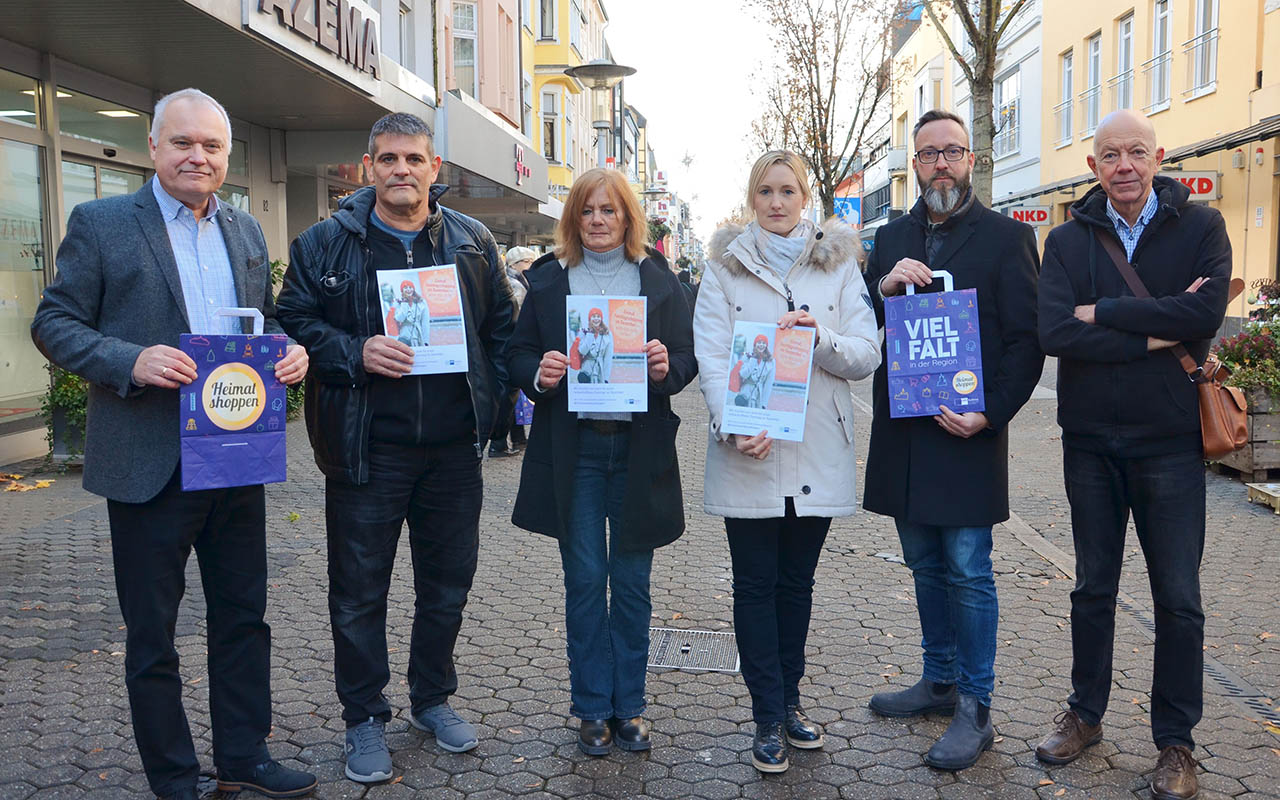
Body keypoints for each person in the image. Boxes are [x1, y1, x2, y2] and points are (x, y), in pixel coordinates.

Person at [30, 88, 315, 800]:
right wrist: (131, 360)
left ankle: (244, 756)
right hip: (149, 461)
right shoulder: (101, 223)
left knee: (243, 617)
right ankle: (174, 776)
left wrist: (289, 351)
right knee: (153, 633)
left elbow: (266, 321)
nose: (198, 156)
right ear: (154, 147)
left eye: (212, 146)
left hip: (235, 456)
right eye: (183, 143)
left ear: (226, 156)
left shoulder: (245, 231)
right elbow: (55, 323)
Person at [276, 112, 515, 783]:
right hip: (366, 450)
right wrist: (355, 351)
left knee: (446, 588)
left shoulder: (472, 243)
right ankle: (363, 719)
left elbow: (503, 330)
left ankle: (432, 699)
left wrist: (491, 408)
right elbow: (293, 318)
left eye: (414, 158)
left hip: (450, 453)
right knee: (358, 594)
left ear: (434, 169)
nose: (401, 170)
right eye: (388, 159)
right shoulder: (326, 243)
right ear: (366, 167)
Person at [1035, 109, 1231, 800]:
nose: (1124, 165)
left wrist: (1107, 312)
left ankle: (1176, 745)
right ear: (1093, 166)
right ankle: (1085, 715)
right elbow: (1056, 330)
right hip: (1089, 443)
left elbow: (1203, 317)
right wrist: (1155, 322)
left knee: (1178, 601)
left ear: (1158, 158)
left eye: (1136, 152)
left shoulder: (1201, 227)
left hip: (1171, 446)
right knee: (1092, 589)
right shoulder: (1064, 240)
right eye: (1111, 154)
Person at [861, 110, 1043, 771]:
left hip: (967, 433)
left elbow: (1029, 342)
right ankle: (938, 681)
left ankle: (977, 706)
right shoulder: (889, 237)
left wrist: (991, 413)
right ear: (913, 162)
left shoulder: (1004, 239)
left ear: (970, 161)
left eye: (953, 152)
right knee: (923, 562)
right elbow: (863, 325)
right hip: (907, 435)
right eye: (929, 152)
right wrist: (880, 289)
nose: (941, 163)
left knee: (969, 570)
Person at [696, 150, 880, 773]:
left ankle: (792, 701)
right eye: (766, 192)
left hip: (815, 448)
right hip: (749, 450)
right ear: (752, 198)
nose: (777, 203)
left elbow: (866, 352)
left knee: (795, 587)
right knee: (754, 587)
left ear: (806, 199)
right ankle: (767, 715)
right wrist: (733, 424)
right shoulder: (723, 267)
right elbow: (714, 358)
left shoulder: (839, 264)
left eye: (788, 191)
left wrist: (818, 338)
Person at [508, 167, 697, 757]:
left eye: (608, 210)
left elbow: (688, 358)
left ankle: (630, 707)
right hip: (576, 450)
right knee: (586, 580)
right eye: (587, 210)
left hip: (639, 451)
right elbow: (516, 354)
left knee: (633, 583)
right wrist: (536, 372)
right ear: (573, 219)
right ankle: (592, 708)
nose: (596, 220)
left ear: (627, 217)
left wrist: (668, 368)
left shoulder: (658, 279)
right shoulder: (548, 281)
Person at [488, 245, 537, 456]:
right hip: (509, 346)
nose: (531, 265)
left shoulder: (521, 281)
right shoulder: (515, 286)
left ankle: (517, 439)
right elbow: (514, 317)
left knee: (514, 397)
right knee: (510, 395)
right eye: (527, 261)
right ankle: (499, 442)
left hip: (510, 346)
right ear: (515, 264)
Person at [732, 334, 776, 408]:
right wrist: (753, 360)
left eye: (763, 343)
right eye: (759, 342)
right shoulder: (747, 356)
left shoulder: (771, 361)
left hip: (759, 396)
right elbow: (743, 375)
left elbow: (768, 384)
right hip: (745, 394)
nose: (761, 345)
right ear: (755, 344)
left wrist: (764, 403)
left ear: (766, 345)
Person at [573, 307, 613, 383]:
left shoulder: (607, 334)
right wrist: (590, 335)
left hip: (600, 371)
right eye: (593, 316)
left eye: (598, 316)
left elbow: (608, 357)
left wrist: (606, 378)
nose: (596, 319)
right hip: (586, 371)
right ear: (590, 318)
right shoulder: (584, 332)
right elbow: (583, 351)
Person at [393, 279, 429, 347]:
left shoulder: (421, 302)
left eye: (410, 287)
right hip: (404, 337)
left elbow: (425, 323)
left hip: (417, 336)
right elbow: (400, 319)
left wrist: (426, 341)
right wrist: (404, 303)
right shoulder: (399, 303)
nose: (408, 289)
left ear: (413, 289)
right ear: (402, 290)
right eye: (405, 288)